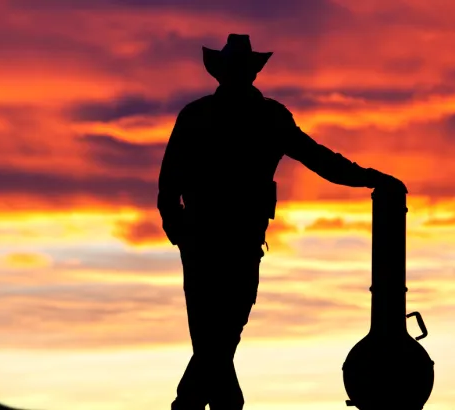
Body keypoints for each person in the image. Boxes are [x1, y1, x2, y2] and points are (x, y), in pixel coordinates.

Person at [157, 33, 406, 410]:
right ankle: (199, 404)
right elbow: (169, 182)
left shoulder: (265, 117)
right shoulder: (209, 116)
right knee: (217, 334)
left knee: (218, 333)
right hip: (209, 240)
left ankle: (211, 403)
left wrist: (370, 176)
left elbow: (319, 159)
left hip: (231, 240)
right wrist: (179, 231)